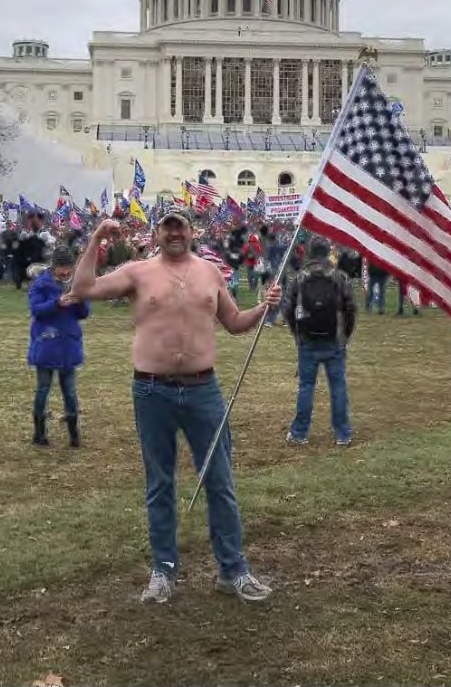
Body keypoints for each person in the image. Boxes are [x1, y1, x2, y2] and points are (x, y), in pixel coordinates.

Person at [71, 206, 282, 605]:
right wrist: (97, 238)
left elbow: (234, 322)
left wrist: (263, 307)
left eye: (179, 226)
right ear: (157, 233)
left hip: (204, 391)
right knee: (160, 484)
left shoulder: (210, 273)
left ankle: (233, 570)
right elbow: (84, 289)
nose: (173, 233)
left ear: (191, 231)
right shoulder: (138, 271)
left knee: (220, 482)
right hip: (152, 392)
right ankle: (163, 571)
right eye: (166, 227)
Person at [282, 236, 356, 446]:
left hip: (307, 340)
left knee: (306, 386)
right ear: (327, 253)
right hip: (334, 340)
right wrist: (345, 336)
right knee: (338, 386)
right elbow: (350, 309)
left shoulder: (299, 278)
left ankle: (299, 433)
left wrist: (297, 334)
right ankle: (343, 433)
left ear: (309, 253)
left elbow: (288, 310)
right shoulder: (339, 277)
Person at [27, 245, 90, 448]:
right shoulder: (41, 285)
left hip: (68, 345)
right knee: (43, 389)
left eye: (68, 267)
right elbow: (36, 310)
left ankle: (74, 433)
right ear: (54, 266)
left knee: (70, 392)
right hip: (47, 343)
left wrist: (79, 302)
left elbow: (84, 313)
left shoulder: (76, 285)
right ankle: (39, 432)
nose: (65, 271)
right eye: (61, 267)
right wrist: (56, 304)